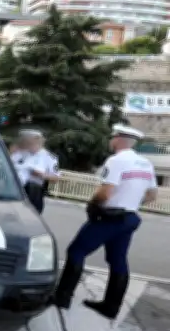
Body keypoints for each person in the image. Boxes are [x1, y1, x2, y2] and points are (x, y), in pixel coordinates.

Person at [50, 124, 158, 320]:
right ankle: (111, 307)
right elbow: (151, 195)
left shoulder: (116, 160)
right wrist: (130, 203)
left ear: (118, 139)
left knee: (77, 251)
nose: (110, 140)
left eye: (112, 137)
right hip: (130, 218)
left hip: (109, 217)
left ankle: (62, 297)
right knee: (118, 260)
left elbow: (105, 192)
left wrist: (93, 205)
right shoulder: (146, 163)